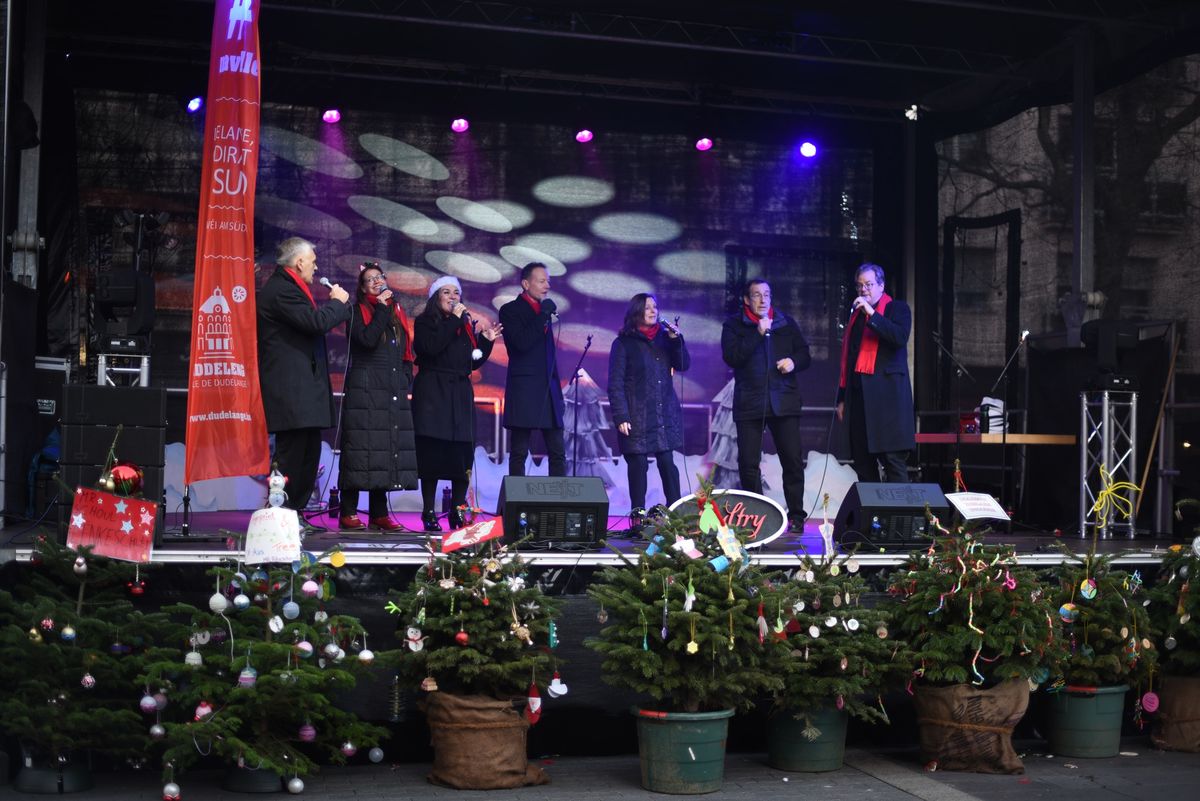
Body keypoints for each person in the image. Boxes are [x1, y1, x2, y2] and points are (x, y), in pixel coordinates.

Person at [257, 236, 351, 533]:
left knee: (308, 454)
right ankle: (278, 513)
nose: (316, 267)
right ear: (298, 263)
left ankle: (293, 512)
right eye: (312, 261)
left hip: (303, 390)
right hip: (291, 389)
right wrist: (337, 302)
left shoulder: (290, 288)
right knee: (292, 453)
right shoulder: (281, 290)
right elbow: (314, 322)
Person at [720, 278, 812, 531]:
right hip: (750, 402)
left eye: (767, 295)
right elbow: (732, 357)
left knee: (792, 461)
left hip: (784, 401)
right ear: (747, 300)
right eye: (757, 295)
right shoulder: (734, 325)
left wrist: (794, 362)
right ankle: (757, 516)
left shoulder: (785, 323)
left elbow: (805, 354)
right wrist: (757, 334)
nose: (763, 300)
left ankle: (796, 516)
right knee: (748, 464)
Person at [412, 275, 502, 531]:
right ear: (435, 297)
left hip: (459, 394)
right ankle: (428, 511)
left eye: (456, 293)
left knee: (462, 454)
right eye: (447, 292)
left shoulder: (463, 326)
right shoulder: (425, 322)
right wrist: (454, 320)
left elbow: (469, 362)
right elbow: (430, 348)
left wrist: (486, 341)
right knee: (431, 454)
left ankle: (457, 511)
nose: (453, 297)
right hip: (433, 394)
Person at [335, 262, 418, 532]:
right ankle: (347, 511)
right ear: (361, 287)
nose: (376, 281)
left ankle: (378, 513)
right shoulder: (357, 310)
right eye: (369, 279)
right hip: (364, 387)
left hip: (390, 389)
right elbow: (367, 340)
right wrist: (382, 308)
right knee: (359, 449)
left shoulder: (395, 312)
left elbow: (404, 349)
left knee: (385, 449)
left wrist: (405, 377)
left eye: (379, 277)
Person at [608, 293, 689, 516]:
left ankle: (676, 515)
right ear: (636, 313)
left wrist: (676, 340)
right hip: (636, 415)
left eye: (655, 307)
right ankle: (638, 516)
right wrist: (621, 415)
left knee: (667, 463)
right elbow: (615, 383)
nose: (653, 311)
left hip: (663, 413)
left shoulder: (666, 339)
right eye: (647, 308)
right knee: (638, 465)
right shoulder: (624, 343)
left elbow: (683, 364)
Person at [836, 263, 915, 483]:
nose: (864, 290)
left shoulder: (897, 309)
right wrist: (842, 398)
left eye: (869, 284)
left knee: (893, 464)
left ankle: (898, 517)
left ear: (881, 285)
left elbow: (899, 337)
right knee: (863, 465)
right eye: (859, 286)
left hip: (888, 404)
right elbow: (848, 360)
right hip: (861, 402)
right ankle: (871, 518)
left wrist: (872, 314)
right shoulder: (855, 318)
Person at [499, 263, 566, 476]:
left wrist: (558, 392)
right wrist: (542, 316)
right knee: (519, 451)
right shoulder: (510, 310)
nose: (547, 285)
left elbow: (549, 356)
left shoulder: (543, 312)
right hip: (525, 390)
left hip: (548, 389)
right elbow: (521, 343)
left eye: (548, 281)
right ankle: (516, 505)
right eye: (541, 281)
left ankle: (560, 502)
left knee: (557, 451)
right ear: (526, 283)